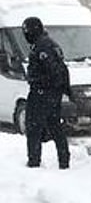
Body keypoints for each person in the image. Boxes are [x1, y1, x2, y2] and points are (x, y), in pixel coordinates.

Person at [22, 17, 71, 170]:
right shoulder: (48, 43)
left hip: (42, 93)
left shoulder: (43, 47)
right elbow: (62, 70)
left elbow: (54, 71)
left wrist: (37, 81)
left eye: (26, 32)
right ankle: (63, 161)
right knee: (55, 126)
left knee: (34, 128)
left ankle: (34, 162)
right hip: (50, 93)